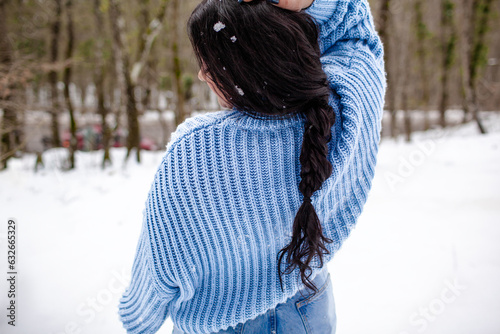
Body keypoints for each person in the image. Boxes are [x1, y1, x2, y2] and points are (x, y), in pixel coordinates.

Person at [118, 0, 386, 333]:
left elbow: (160, 272)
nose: (202, 74)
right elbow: (358, 38)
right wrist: (314, 2)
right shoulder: (341, 113)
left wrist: (139, 319)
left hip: (221, 323)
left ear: (243, 63)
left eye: (209, 59)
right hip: (308, 309)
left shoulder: (194, 155)